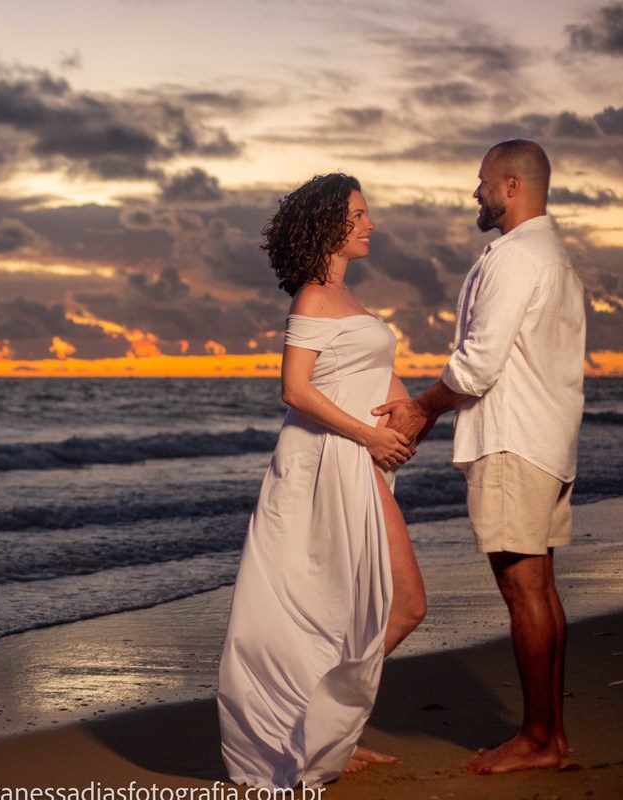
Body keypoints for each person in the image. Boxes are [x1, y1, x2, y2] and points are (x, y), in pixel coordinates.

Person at [374, 139, 586, 774]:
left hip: (514, 442)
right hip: (544, 439)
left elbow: (478, 363)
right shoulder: (552, 255)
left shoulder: (518, 258)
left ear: (512, 185)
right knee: (539, 588)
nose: (476, 191)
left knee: (523, 589)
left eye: (483, 180)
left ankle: (539, 738)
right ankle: (549, 734)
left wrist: (419, 409)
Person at [217, 173, 427, 788]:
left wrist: (410, 414)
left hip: (358, 463)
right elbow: (296, 389)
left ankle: (326, 730)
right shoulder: (311, 296)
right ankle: (313, 731)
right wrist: (370, 437)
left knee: (360, 607)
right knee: (404, 602)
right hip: (325, 465)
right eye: (359, 215)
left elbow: (367, 376)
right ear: (330, 224)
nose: (370, 225)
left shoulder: (351, 301)